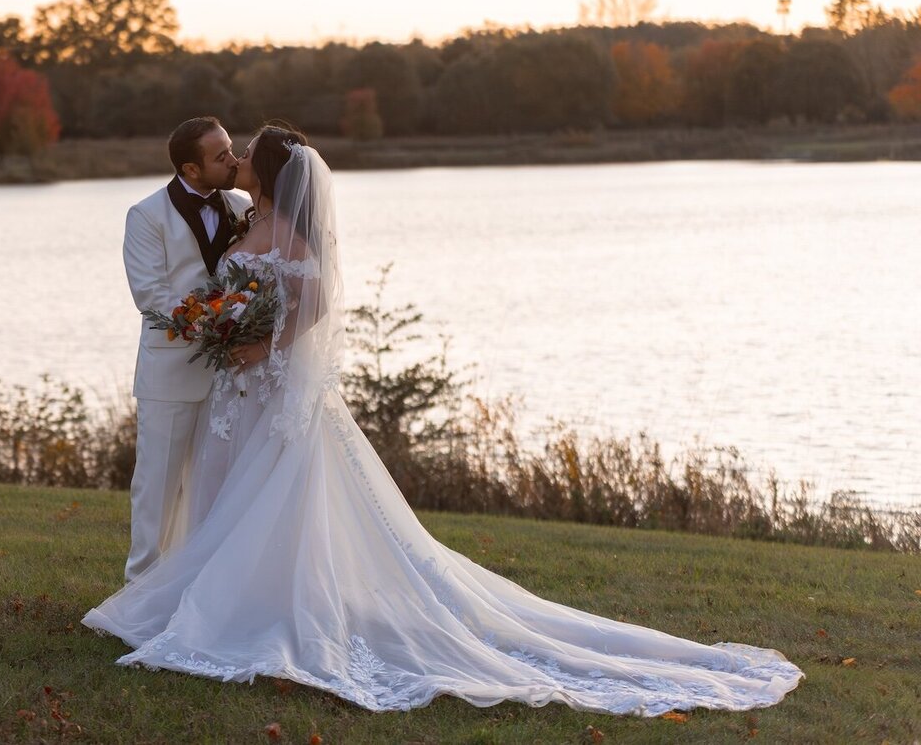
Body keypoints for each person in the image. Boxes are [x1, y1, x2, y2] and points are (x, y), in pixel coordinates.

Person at [85, 124, 802, 716]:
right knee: (222, 498)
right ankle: (204, 593)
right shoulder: (250, 219)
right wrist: (231, 334)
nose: (234, 155)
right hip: (236, 393)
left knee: (272, 502)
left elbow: (316, 307)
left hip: (269, 388)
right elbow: (215, 289)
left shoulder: (291, 238)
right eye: (224, 151)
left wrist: (257, 344)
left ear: (266, 172)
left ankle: (260, 608)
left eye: (242, 152)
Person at [119, 117, 251, 582]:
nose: (233, 160)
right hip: (170, 373)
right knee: (157, 487)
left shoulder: (242, 205)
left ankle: (202, 588)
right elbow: (150, 295)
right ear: (191, 170)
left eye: (232, 150)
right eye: (221, 156)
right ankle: (141, 590)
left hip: (234, 375)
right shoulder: (146, 216)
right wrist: (218, 320)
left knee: (216, 488)